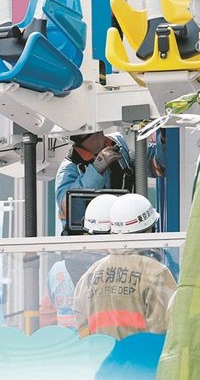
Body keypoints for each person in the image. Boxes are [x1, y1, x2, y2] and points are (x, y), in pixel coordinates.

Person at [73, 194, 177, 340]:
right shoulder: (156, 273)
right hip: (142, 355)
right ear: (149, 231)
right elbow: (167, 328)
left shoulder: (91, 273)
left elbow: (82, 328)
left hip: (102, 354)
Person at [54, 131, 163, 230]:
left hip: (129, 229)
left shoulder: (119, 143)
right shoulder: (68, 169)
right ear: (80, 139)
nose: (100, 135)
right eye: (95, 133)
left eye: (99, 131)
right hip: (92, 238)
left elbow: (156, 166)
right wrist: (96, 170)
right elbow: (70, 209)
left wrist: (163, 138)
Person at [45, 194, 115, 329]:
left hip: (67, 341)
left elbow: (48, 311)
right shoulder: (117, 268)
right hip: (104, 341)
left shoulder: (57, 270)